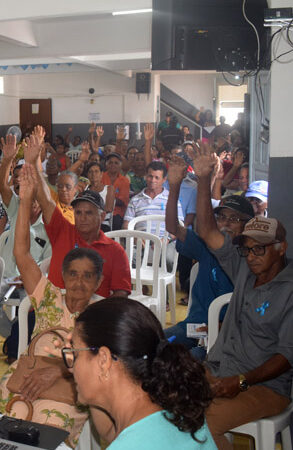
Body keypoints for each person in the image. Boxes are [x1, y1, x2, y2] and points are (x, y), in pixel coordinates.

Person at [0, 164, 104, 447]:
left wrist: (60, 370)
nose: (79, 283)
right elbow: (21, 252)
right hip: (28, 377)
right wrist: (26, 199)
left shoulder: (101, 315)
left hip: (73, 385)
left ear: (98, 281)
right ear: (63, 276)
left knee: (48, 426)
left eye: (87, 276)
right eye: (73, 274)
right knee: (12, 420)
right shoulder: (49, 296)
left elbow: (103, 364)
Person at [192, 147, 293, 450]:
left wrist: (242, 381)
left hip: (264, 387)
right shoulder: (244, 269)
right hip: (220, 369)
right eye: (246, 249)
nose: (251, 257)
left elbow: (286, 357)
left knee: (201, 423)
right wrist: (202, 179)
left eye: (259, 249)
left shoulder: (289, 291)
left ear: (281, 248)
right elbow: (207, 229)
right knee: (166, 403)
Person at [54, 298, 215, 449]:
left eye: (75, 353)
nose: (71, 364)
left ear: (103, 361)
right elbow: (113, 433)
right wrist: (83, 369)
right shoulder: (176, 410)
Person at [163, 155, 254, 359]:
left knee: (191, 361)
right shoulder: (205, 247)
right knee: (156, 344)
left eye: (234, 219)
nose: (225, 224)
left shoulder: (248, 257)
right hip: (193, 327)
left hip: (224, 334)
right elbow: (172, 227)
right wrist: (174, 186)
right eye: (221, 217)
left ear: (247, 224)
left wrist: (205, 177)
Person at [23, 128, 130, 299]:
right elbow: (45, 199)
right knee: (16, 326)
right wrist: (34, 162)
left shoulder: (116, 251)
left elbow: (120, 296)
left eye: (89, 213)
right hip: (55, 313)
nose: (82, 217)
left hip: (93, 318)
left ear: (102, 217)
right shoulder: (63, 231)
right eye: (78, 212)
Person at [0, 134, 53, 279]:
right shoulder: (16, 206)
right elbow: (2, 187)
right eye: (16, 178)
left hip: (34, 280)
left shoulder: (49, 219)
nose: (19, 182)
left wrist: (29, 276)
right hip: (6, 278)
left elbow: (48, 263)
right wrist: (7, 159)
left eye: (25, 178)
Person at [123, 161, 183, 237]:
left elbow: (179, 226)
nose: (152, 180)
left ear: (164, 179)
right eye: (150, 176)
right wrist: (136, 240)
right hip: (140, 244)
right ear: (145, 176)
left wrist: (166, 240)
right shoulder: (135, 200)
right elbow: (126, 225)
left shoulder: (173, 200)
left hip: (166, 244)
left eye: (157, 178)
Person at [102, 153, 130, 230]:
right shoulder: (101, 176)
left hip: (117, 213)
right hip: (101, 211)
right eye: (110, 162)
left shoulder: (125, 180)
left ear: (120, 166)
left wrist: (106, 198)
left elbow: (122, 201)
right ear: (106, 165)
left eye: (116, 163)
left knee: (116, 223)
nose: (113, 165)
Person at [84, 162, 115, 231]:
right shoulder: (84, 189)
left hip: (102, 222)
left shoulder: (109, 188)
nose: (93, 174)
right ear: (87, 175)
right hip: (86, 221)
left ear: (101, 174)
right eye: (90, 172)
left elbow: (108, 209)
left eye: (96, 171)